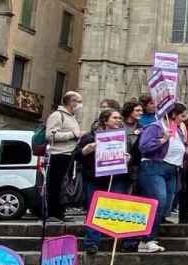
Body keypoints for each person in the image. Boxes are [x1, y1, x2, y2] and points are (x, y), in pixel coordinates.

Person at [136, 102, 188, 253]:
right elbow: (144, 147)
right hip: (154, 167)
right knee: (157, 202)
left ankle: (149, 238)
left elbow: (178, 147)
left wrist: (187, 150)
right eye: (182, 115)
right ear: (173, 114)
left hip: (172, 169)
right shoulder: (155, 127)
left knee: (166, 204)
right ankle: (146, 239)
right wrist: (162, 139)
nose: (183, 119)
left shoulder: (178, 129)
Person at [77, 108, 131, 255]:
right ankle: (91, 242)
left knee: (114, 208)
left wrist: (127, 158)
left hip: (116, 178)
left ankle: (116, 240)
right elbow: (77, 155)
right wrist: (87, 150)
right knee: (94, 209)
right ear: (104, 120)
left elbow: (130, 156)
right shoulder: (90, 137)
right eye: (115, 118)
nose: (118, 121)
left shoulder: (123, 138)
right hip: (95, 178)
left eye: (120, 118)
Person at [44, 91, 83, 222]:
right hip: (58, 155)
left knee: (64, 185)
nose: (80, 105)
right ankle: (53, 214)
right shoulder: (57, 115)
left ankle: (60, 212)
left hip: (69, 155)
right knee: (55, 184)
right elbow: (50, 136)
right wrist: (73, 134)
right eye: (79, 101)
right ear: (71, 102)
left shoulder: (72, 117)